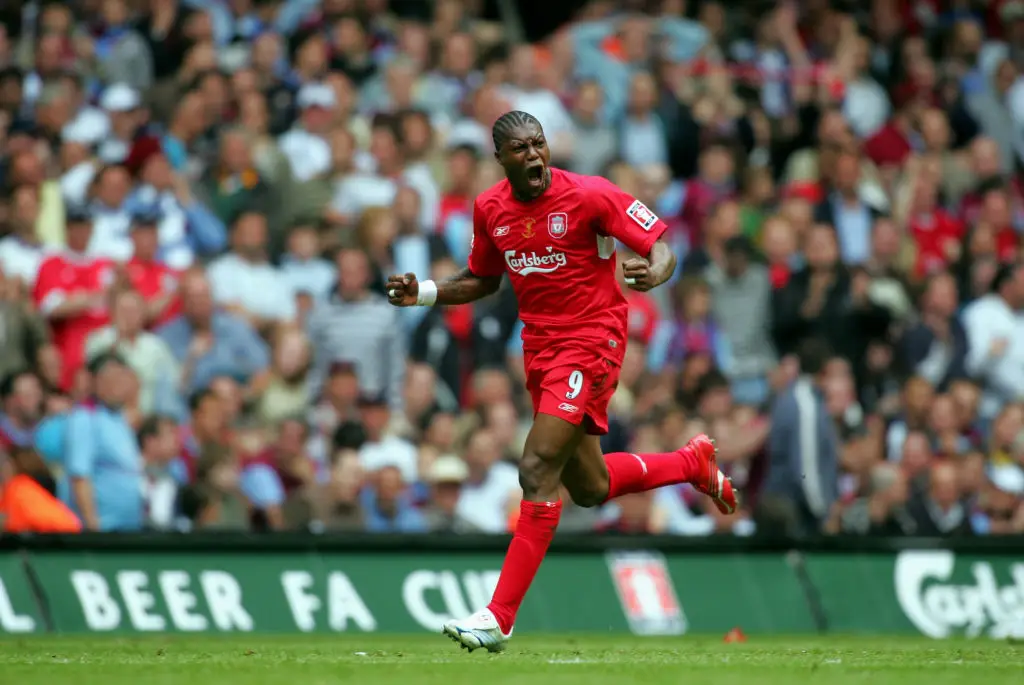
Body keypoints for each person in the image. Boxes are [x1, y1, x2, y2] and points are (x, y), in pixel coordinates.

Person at [386, 111, 737, 652]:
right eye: (520, 148)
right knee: (589, 488)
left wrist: (655, 271)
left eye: (539, 144)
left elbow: (660, 246)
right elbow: (483, 280)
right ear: (501, 159)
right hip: (541, 350)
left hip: (593, 339)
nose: (533, 155)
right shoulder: (490, 208)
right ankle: (691, 463)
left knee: (536, 466)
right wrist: (425, 293)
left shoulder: (590, 194)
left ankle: (499, 616)